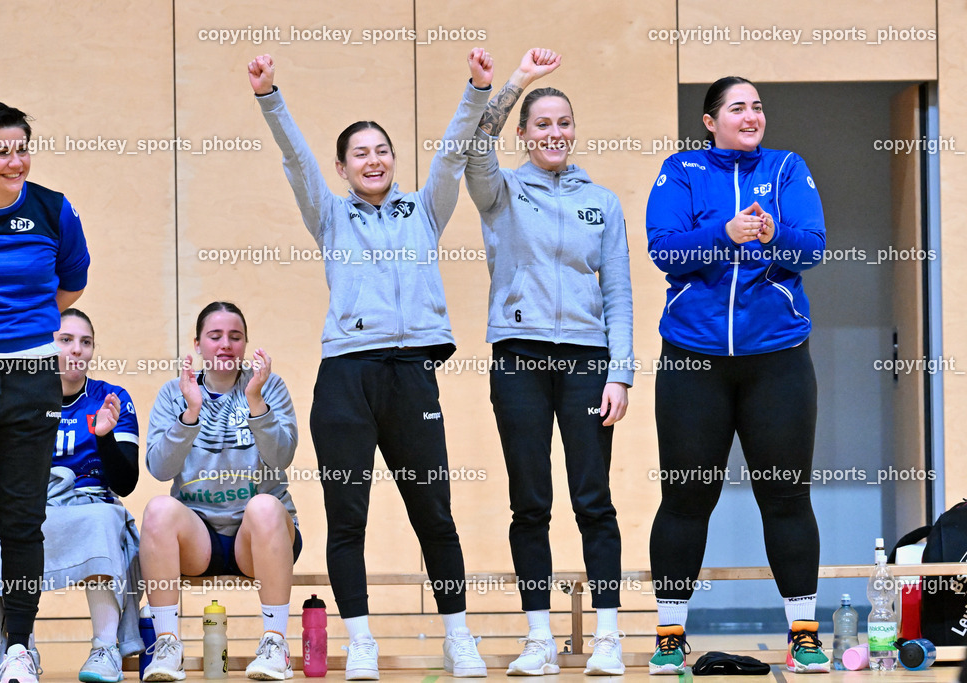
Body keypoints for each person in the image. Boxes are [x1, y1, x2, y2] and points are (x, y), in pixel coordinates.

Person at [248, 50, 493, 680]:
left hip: (412, 376)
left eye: (381, 149)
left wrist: (477, 89)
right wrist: (270, 95)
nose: (374, 159)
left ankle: (457, 635)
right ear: (343, 167)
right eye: (360, 153)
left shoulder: (425, 209)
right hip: (346, 379)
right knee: (346, 516)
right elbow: (296, 161)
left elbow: (452, 153)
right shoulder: (330, 215)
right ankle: (359, 641)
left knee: (432, 511)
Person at [645, 76, 828, 674]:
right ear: (709, 119)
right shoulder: (682, 170)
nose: (751, 116)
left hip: (776, 361)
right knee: (685, 499)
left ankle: (803, 635)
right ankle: (670, 638)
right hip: (692, 363)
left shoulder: (786, 168)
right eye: (737, 108)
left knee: (786, 497)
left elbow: (813, 248)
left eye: (757, 107)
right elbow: (664, 250)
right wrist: (724, 235)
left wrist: (773, 235)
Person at [463, 48, 634, 677]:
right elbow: (474, 147)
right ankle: (539, 638)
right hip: (519, 358)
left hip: (589, 361)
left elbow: (617, 290)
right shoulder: (501, 190)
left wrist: (622, 371)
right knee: (530, 501)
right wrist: (514, 85)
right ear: (525, 135)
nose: (554, 132)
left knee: (594, 498)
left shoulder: (603, 201)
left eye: (563, 122)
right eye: (542, 124)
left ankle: (609, 638)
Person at [0, 101, 90, 683]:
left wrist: (15, 329)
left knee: (22, 521)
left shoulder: (54, 210)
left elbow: (70, 287)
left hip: (30, 379)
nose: (16, 160)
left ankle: (19, 648)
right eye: (2, 150)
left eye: (23, 147)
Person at [0, 308, 143, 683]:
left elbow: (126, 484)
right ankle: (21, 650)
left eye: (85, 342)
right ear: (46, 346)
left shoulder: (111, 397)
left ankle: (106, 648)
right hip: (38, 506)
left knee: (103, 521)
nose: (76, 350)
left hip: (91, 504)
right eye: (65, 340)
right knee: (6, 533)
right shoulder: (22, 398)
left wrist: (103, 437)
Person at [140, 302, 300, 681]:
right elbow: (159, 468)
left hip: (259, 538)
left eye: (235, 336)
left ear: (246, 345)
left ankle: (276, 644)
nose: (225, 344)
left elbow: (281, 459)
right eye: (215, 336)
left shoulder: (269, 386)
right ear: (198, 344)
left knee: (263, 505)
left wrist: (257, 403)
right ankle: (167, 646)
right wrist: (190, 414)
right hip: (200, 541)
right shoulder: (174, 392)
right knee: (158, 509)